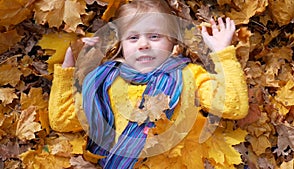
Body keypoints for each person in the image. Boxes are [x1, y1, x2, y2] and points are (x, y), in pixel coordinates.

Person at [48, 0, 249, 168]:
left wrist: (221, 53)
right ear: (121, 45)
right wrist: (69, 70)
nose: (143, 44)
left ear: (172, 42)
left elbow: (233, 107)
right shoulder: (107, 80)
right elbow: (62, 121)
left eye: (154, 36)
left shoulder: (189, 75)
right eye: (133, 37)